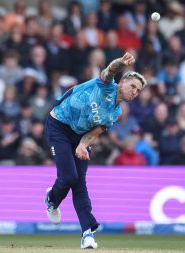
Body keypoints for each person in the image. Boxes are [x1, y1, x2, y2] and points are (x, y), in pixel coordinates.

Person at [44, 52, 146, 249]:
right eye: (132, 86)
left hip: (80, 136)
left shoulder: (115, 113)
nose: (134, 91)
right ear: (122, 83)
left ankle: (87, 234)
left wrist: (83, 144)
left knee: (80, 183)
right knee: (69, 177)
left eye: (138, 90)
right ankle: (52, 199)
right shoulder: (106, 85)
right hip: (59, 125)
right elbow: (110, 71)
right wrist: (121, 63)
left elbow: (93, 133)